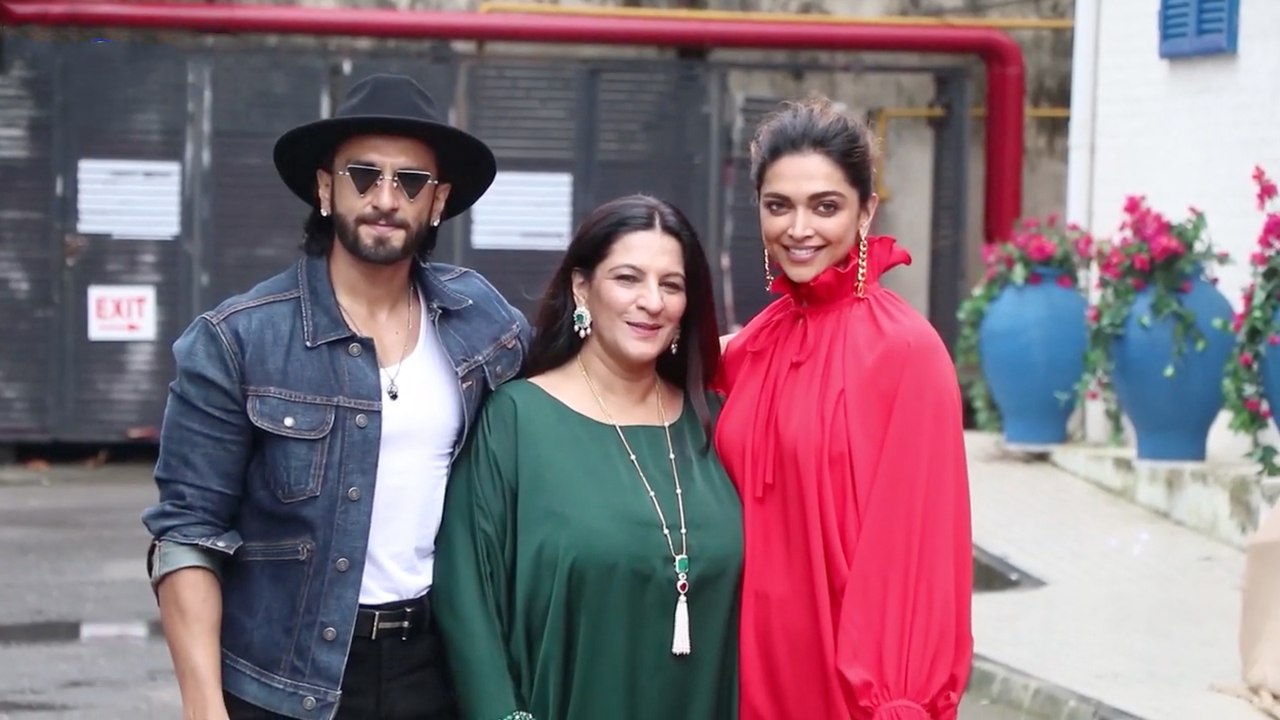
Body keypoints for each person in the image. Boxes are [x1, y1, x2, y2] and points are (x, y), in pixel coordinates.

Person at [140, 73, 532, 720]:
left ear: (437, 202)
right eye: (362, 175)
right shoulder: (239, 341)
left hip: (436, 668)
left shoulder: (482, 321)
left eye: (410, 181)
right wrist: (204, 708)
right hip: (281, 681)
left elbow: (576, 389)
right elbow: (188, 536)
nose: (385, 197)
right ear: (325, 188)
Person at [432, 194, 742, 720]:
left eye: (671, 285)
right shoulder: (515, 419)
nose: (652, 302)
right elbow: (467, 600)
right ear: (582, 287)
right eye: (627, 279)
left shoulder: (717, 420)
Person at [714, 97, 974, 720]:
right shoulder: (752, 345)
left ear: (867, 212)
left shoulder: (907, 352)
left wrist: (897, 700)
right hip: (741, 675)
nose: (799, 228)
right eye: (779, 206)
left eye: (825, 206)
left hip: (845, 687)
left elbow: (917, 554)